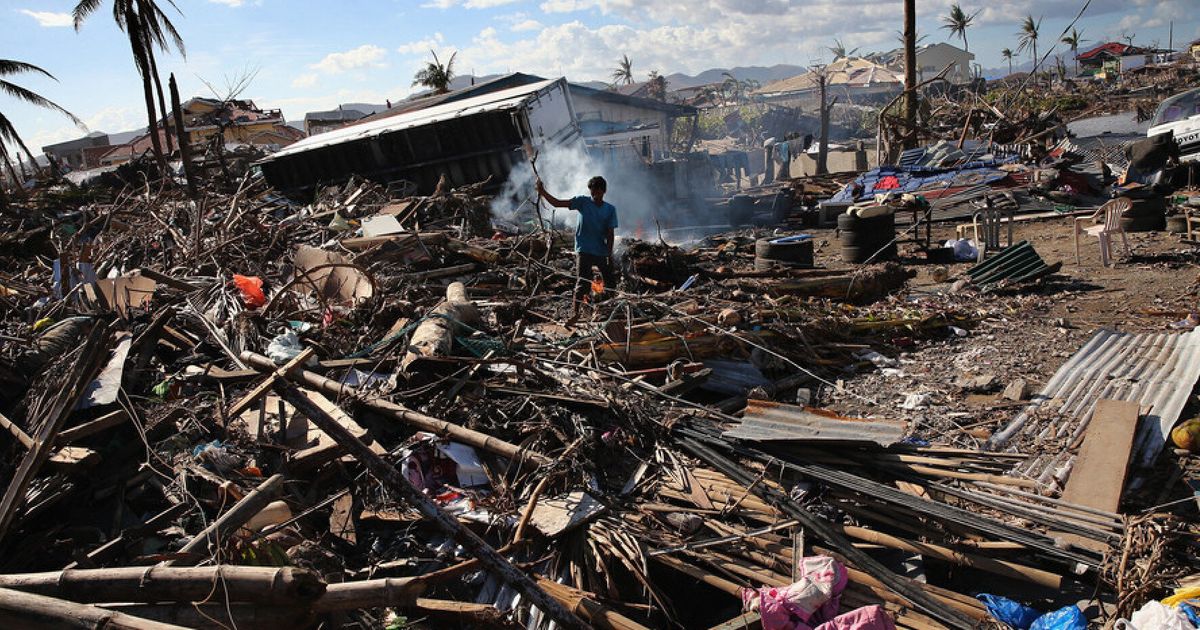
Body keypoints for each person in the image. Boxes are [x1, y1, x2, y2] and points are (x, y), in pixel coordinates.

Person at [535, 175, 618, 323]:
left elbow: (611, 234)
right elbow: (557, 203)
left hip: (601, 250)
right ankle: (575, 313)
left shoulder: (610, 209)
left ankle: (612, 309)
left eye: (597, 192)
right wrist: (543, 192)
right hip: (584, 249)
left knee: (610, 281)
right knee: (583, 282)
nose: (595, 195)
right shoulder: (582, 202)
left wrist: (608, 253)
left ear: (603, 191)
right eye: (592, 192)